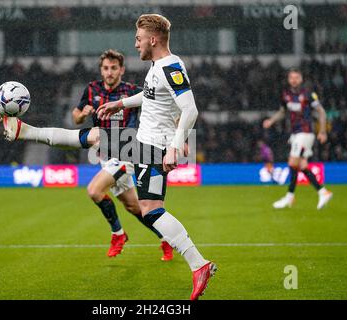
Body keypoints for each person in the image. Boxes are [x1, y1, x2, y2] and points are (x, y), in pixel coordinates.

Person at [97, 14, 216, 300]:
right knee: (147, 208)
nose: (135, 44)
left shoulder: (171, 67)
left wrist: (175, 146)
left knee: (150, 209)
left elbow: (190, 110)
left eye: (138, 39)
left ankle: (199, 264)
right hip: (144, 145)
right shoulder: (156, 66)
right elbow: (149, 96)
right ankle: (198, 264)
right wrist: (119, 103)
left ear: (153, 39)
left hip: (156, 148)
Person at [71, 49, 173, 260]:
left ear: (122, 70)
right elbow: (76, 117)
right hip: (104, 156)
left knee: (94, 191)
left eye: (114, 68)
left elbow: (163, 107)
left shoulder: (132, 92)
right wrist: (82, 115)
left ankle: (118, 234)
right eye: (106, 68)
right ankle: (166, 239)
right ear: (101, 70)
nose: (109, 72)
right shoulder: (92, 90)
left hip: (126, 152)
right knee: (135, 207)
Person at [263, 68, 333, 210]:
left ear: (301, 79)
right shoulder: (286, 94)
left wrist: (323, 131)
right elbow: (283, 112)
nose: (294, 80)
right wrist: (271, 120)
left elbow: (321, 111)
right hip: (295, 133)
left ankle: (289, 197)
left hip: (306, 132)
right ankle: (323, 192)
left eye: (296, 77)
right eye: (291, 78)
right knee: (301, 165)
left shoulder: (308, 94)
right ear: (289, 80)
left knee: (292, 163)